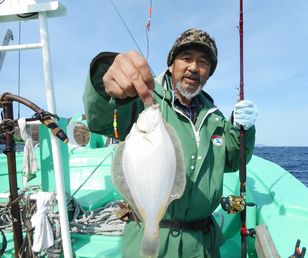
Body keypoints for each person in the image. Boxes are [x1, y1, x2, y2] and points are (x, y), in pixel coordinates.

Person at [83, 28, 258, 258]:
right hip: (151, 239)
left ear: (208, 74)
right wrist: (104, 76)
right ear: (171, 65)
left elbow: (234, 160)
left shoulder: (215, 117)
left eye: (203, 62)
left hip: (204, 245)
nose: (194, 67)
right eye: (186, 58)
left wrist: (241, 128)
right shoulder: (144, 99)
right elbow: (102, 121)